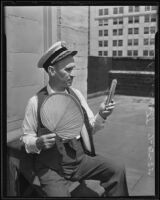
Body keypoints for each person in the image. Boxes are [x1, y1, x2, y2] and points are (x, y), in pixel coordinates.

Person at [21, 41, 129, 197]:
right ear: (51, 71)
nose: (73, 74)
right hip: (51, 169)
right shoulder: (35, 102)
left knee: (117, 169)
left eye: (74, 69)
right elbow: (26, 138)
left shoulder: (76, 95)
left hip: (79, 161)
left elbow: (90, 127)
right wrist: (37, 142)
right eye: (68, 69)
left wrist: (102, 115)